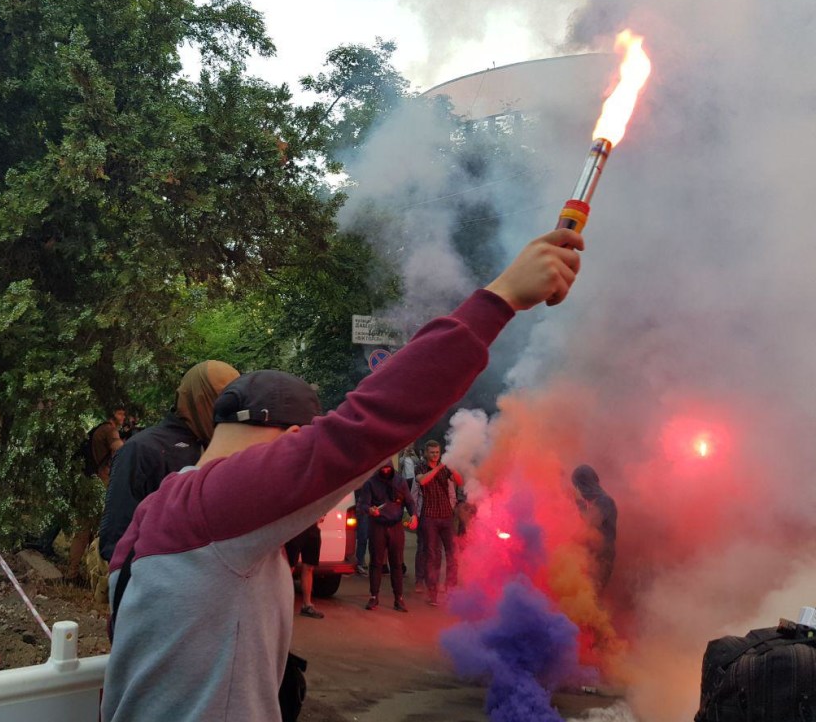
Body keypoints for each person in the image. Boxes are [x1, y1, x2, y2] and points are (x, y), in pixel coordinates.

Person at [101, 228, 583, 722]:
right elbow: (368, 424)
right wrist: (499, 299)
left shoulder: (162, 506)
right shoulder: (220, 503)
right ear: (291, 439)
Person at [98, 360, 239, 562]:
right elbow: (115, 540)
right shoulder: (143, 449)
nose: (229, 412)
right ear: (198, 399)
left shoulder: (223, 450)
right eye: (223, 399)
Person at [66, 406, 127, 579]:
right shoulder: (109, 430)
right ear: (113, 413)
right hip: (99, 485)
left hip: (87, 483)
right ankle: (83, 574)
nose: (123, 417)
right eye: (120, 413)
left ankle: (77, 570)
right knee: (95, 530)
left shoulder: (97, 429)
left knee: (85, 530)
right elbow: (121, 450)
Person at [357, 459, 418, 612]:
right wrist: (370, 510)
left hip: (396, 526)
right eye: (382, 468)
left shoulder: (400, 481)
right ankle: (373, 596)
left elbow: (409, 502)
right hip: (378, 526)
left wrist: (414, 515)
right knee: (376, 563)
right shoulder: (370, 483)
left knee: (396, 564)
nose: (385, 471)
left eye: (387, 468)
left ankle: (399, 598)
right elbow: (362, 504)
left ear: (391, 467)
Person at [416, 439, 463, 606]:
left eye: (437, 452)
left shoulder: (445, 467)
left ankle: (451, 589)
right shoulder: (421, 466)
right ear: (426, 453)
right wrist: (437, 468)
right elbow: (422, 481)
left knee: (452, 554)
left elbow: (459, 481)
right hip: (429, 516)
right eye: (432, 452)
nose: (435, 455)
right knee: (432, 556)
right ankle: (432, 593)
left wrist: (454, 468)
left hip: (446, 516)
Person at [571, 463, 617, 593]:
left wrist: (577, 503)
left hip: (602, 558)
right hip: (591, 556)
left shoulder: (605, 501)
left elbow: (591, 520)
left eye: (579, 485)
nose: (579, 489)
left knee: (591, 593)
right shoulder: (595, 503)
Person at [285, 522, 324, 619]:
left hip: (312, 528)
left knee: (309, 567)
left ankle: (307, 605)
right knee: (289, 568)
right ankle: (282, 606)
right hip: (295, 529)